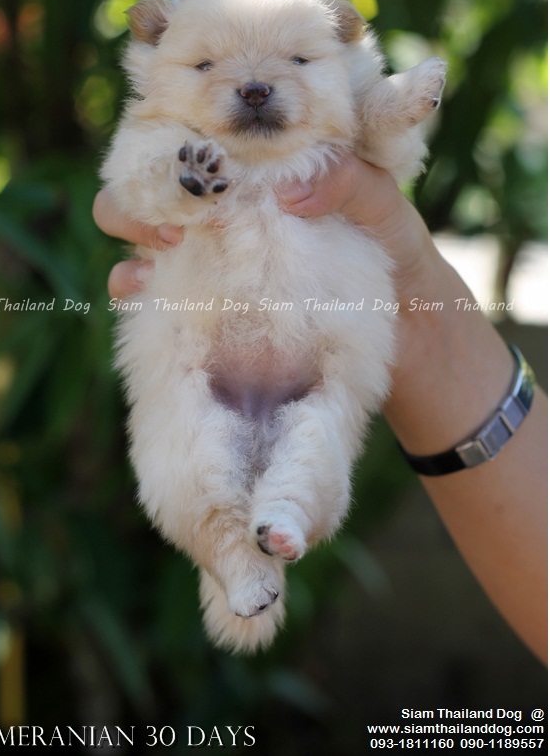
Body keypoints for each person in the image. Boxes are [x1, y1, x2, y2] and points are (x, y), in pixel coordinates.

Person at [92, 149, 548, 664]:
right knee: (190, 441)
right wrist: (151, 181)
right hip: (203, 342)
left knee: (313, 435)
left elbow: (387, 140)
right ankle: (235, 557)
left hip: (314, 345)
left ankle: (286, 513)